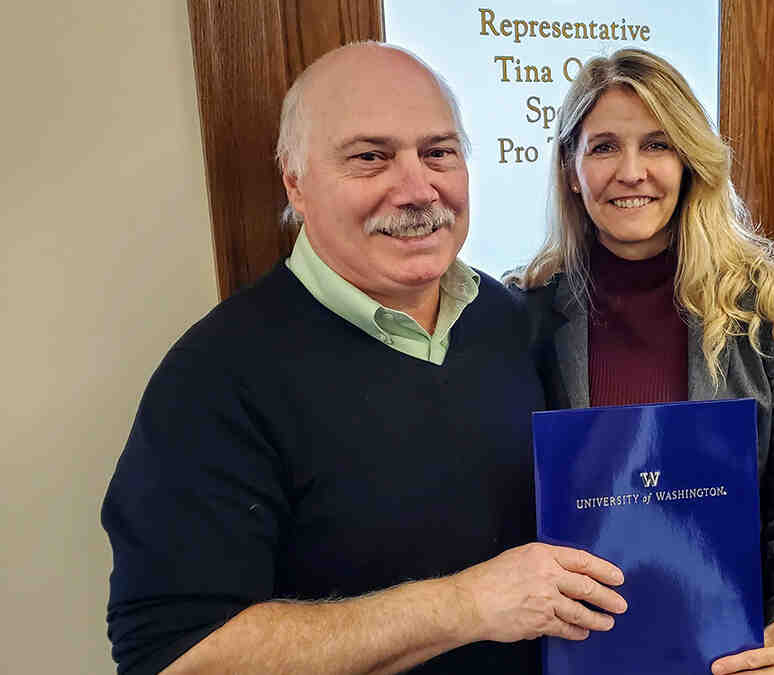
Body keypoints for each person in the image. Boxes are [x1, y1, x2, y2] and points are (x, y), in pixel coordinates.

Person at [101, 42, 628, 674]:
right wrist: (463, 605)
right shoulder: (215, 377)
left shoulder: (520, 322)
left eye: (438, 153)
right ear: (295, 182)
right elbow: (178, 658)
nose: (416, 188)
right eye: (370, 158)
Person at [508, 48, 774, 675]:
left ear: (689, 162)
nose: (631, 172)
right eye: (603, 147)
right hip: (576, 651)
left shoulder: (766, 305)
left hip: (726, 653)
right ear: (571, 169)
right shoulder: (523, 313)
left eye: (657, 144)